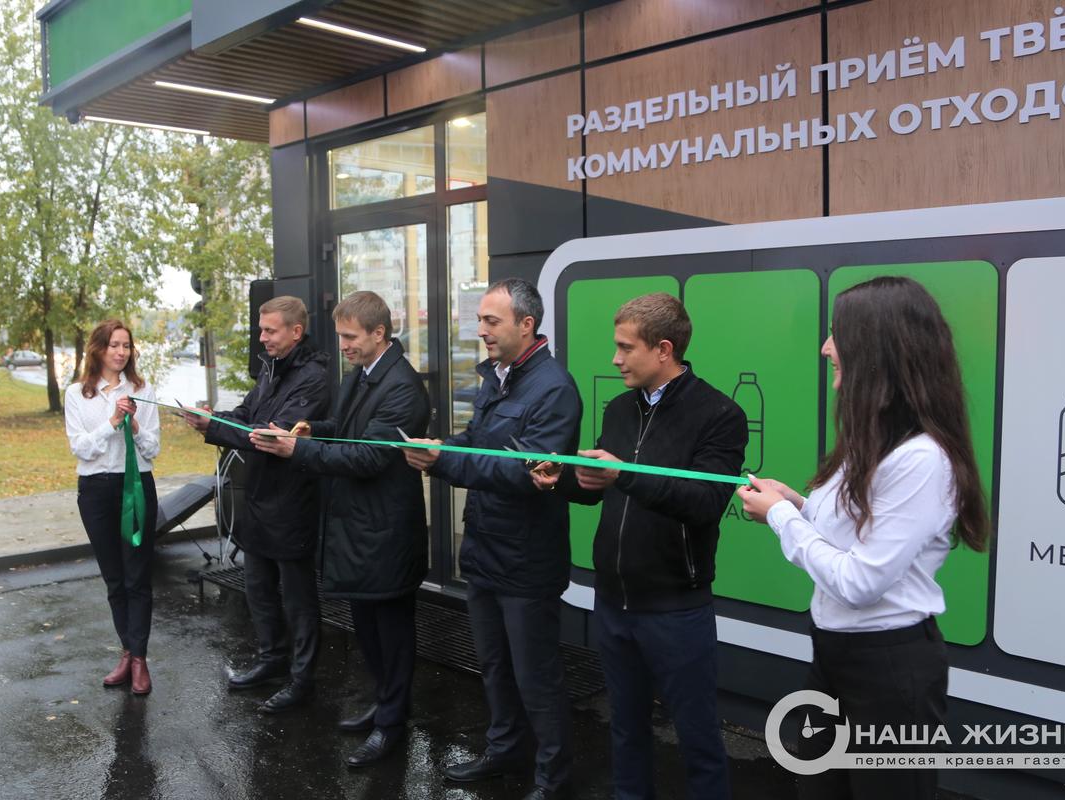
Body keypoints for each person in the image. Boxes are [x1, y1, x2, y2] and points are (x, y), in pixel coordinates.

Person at [736, 276, 990, 800]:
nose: (825, 347)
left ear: (878, 348)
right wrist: (799, 506)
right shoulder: (870, 441)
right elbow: (852, 537)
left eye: (836, 335)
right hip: (835, 656)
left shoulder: (921, 459)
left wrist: (784, 517)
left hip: (890, 670)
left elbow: (860, 580)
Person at [531, 293, 748, 800]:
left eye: (626, 348)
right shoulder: (620, 408)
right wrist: (559, 479)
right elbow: (599, 488)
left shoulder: (719, 414)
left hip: (676, 607)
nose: (615, 359)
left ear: (664, 349)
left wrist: (624, 475)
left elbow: (703, 502)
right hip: (614, 602)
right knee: (625, 730)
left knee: (697, 740)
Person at [403, 278, 581, 800]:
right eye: (480, 319)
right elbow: (481, 443)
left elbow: (526, 471)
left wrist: (446, 462)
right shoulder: (497, 379)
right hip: (484, 551)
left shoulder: (554, 389)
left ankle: (553, 778)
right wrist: (442, 446)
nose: (480, 330)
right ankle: (505, 752)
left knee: (537, 677)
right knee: (495, 667)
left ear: (527, 325)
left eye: (491, 321)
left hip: (528, 561)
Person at [250, 291, 430, 767]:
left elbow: (371, 456)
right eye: (341, 337)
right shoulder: (362, 374)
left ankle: (392, 724)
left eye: (351, 337)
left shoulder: (403, 387)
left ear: (378, 334)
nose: (344, 346)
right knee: (368, 631)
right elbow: (347, 431)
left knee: (391, 634)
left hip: (385, 534)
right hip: (359, 531)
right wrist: (313, 429)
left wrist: (297, 452)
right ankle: (383, 705)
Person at [182, 296, 330, 713]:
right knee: (258, 587)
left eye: (270, 331)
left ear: (295, 332)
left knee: (298, 599)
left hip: (294, 500)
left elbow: (269, 436)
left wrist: (217, 427)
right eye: (261, 330)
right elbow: (248, 413)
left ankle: (302, 680)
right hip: (260, 496)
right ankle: (271, 660)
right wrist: (212, 418)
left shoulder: (313, 377)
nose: (262, 338)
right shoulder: (271, 368)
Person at [65, 319, 161, 695]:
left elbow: (153, 449)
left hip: (135, 486)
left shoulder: (142, 389)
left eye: (127, 346)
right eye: (114, 345)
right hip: (96, 490)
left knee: (137, 577)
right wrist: (113, 422)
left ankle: (139, 659)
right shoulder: (78, 394)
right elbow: (82, 448)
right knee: (114, 578)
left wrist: (134, 425)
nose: (121, 352)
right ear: (98, 349)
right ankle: (127, 650)